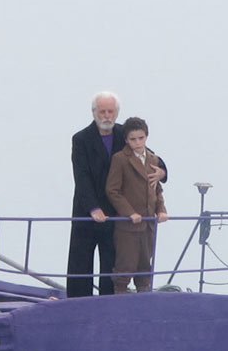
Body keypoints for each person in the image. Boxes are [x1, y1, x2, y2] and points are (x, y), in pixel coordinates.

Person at [66, 92, 165, 297]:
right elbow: (81, 177)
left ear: (117, 113)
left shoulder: (124, 135)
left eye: (110, 111)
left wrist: (163, 172)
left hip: (116, 213)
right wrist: (93, 208)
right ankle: (76, 305)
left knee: (111, 262)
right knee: (80, 262)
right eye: (102, 111)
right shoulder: (81, 139)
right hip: (86, 211)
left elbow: (149, 156)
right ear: (94, 112)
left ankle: (108, 303)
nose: (106, 116)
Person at [105, 117, 168, 293]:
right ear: (126, 140)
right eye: (133, 139)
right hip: (128, 226)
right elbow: (112, 190)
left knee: (144, 268)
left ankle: (143, 301)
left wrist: (161, 210)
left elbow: (157, 189)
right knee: (124, 268)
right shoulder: (120, 159)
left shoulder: (153, 159)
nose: (138, 142)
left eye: (141, 138)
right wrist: (129, 212)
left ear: (146, 137)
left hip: (148, 223)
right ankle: (119, 303)